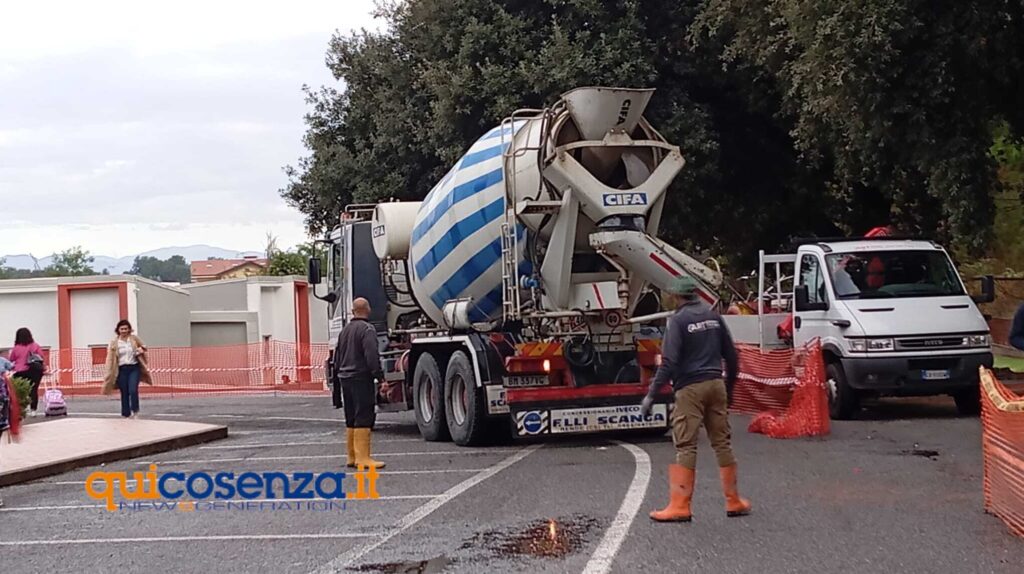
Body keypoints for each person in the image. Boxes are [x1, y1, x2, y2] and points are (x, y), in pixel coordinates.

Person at [641, 275, 750, 522]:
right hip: (716, 383)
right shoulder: (713, 317)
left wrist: (651, 395)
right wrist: (729, 388)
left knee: (686, 444)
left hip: (690, 388)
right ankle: (734, 501)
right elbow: (731, 356)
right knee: (722, 442)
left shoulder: (678, 321)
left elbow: (669, 362)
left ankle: (680, 505)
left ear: (676, 296)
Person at [334, 297, 385, 470]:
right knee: (364, 415)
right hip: (361, 378)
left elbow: (337, 357)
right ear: (368, 309)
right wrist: (379, 376)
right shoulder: (367, 329)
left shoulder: (345, 330)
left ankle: (352, 456)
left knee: (351, 416)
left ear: (353, 310)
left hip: (345, 377)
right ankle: (363, 458)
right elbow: (371, 355)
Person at [102, 320, 153, 419]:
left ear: (129, 329)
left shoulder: (134, 339)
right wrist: (108, 371)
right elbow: (110, 358)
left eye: (126, 328)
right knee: (124, 392)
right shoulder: (114, 343)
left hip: (134, 368)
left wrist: (140, 350)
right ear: (118, 330)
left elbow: (144, 347)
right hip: (121, 369)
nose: (124, 331)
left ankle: (135, 411)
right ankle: (126, 414)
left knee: (133, 390)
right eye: (122, 329)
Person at [9, 328, 45, 417]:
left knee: (19, 390)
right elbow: (41, 357)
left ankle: (21, 409)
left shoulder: (16, 348)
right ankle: (33, 410)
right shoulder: (35, 346)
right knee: (33, 389)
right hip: (35, 371)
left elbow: (11, 359)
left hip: (20, 371)